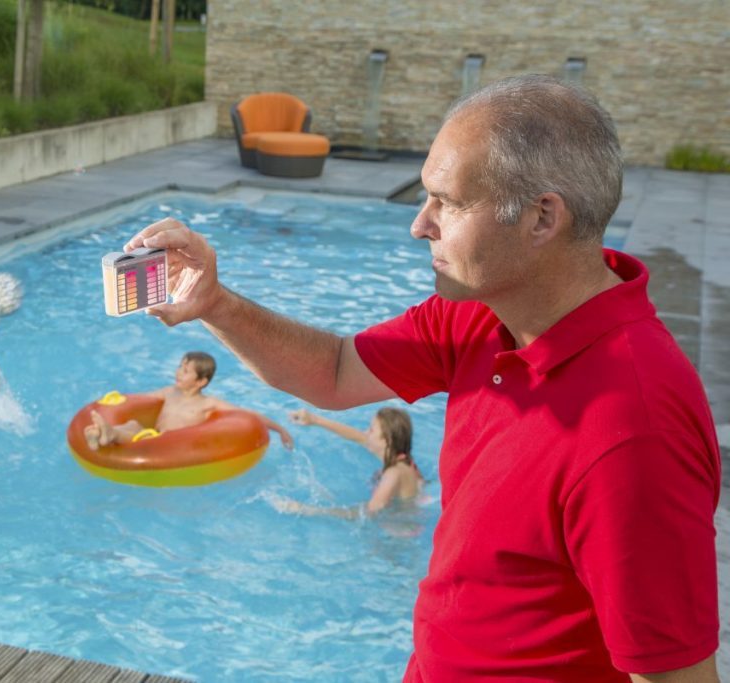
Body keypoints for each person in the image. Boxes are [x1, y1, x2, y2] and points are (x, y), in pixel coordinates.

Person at [119, 75, 720, 681]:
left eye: (448, 202)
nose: (419, 225)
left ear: (542, 218)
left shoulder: (633, 430)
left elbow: (674, 676)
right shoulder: (480, 314)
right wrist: (216, 303)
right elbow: (332, 370)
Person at [83, 351, 294, 451]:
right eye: (179, 367)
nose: (178, 373)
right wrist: (110, 404)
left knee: (143, 435)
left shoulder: (208, 404)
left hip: (172, 447)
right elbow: (137, 400)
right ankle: (103, 434)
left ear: (201, 381)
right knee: (133, 425)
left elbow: (247, 414)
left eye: (185, 371)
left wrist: (280, 429)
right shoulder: (169, 392)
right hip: (152, 436)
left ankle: (108, 434)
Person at [278, 406, 423, 519]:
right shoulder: (404, 460)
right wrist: (315, 420)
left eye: (371, 430)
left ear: (387, 441)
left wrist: (307, 510)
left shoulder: (393, 473)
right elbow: (358, 437)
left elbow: (369, 512)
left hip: (396, 537)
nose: (365, 433)